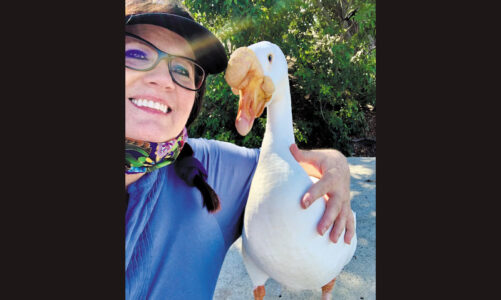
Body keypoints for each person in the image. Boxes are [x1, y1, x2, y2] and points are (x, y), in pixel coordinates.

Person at [125, 1, 354, 299]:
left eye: (181, 69)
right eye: (136, 54)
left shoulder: (215, 170)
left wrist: (337, 165)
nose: (161, 79)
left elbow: (285, 163)